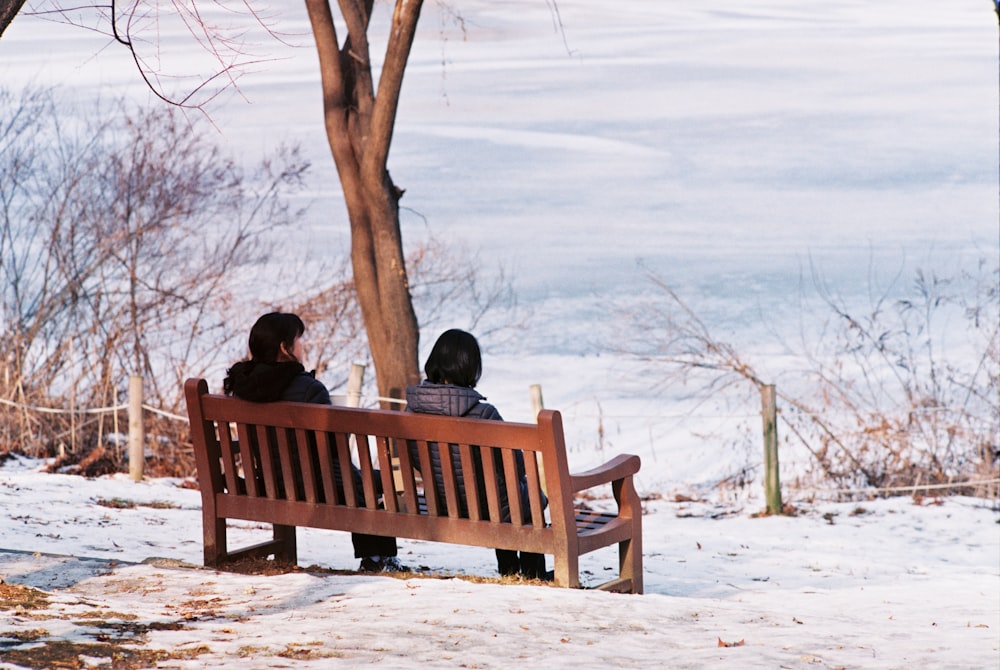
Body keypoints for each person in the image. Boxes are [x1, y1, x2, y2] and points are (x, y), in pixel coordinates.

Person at [223, 312, 407, 573]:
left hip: (268, 483)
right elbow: (333, 449)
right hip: (315, 486)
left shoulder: (241, 388)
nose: (302, 346)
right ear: (284, 348)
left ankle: (376, 558)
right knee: (376, 482)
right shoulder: (309, 389)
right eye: (298, 340)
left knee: (362, 480)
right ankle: (378, 559)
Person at [405, 328, 551, 581]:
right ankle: (530, 573)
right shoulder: (484, 414)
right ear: (470, 367)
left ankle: (510, 571)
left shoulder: (411, 411)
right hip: (489, 507)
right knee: (524, 497)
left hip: (441, 503)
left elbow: (415, 459)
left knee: (504, 495)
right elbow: (516, 466)